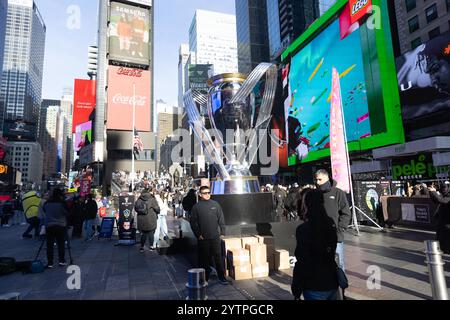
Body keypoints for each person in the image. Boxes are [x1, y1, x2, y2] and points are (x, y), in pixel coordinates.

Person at [291, 189, 339, 300]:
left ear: (306, 205)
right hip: (331, 280)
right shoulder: (330, 223)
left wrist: (296, 289)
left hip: (313, 284)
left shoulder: (303, 229)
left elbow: (302, 260)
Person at [189, 186, 228, 285]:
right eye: (204, 193)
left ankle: (221, 276)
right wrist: (198, 235)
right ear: (200, 195)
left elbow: (221, 219)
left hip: (215, 237)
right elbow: (193, 222)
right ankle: (204, 278)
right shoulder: (196, 207)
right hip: (203, 238)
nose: (207, 194)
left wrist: (222, 232)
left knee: (218, 258)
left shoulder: (215, 204)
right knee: (204, 259)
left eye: (208, 192)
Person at [314, 169, 351, 271]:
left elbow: (346, 213)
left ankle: (340, 285)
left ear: (326, 178)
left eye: (319, 180)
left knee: (338, 264)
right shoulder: (315, 194)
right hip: (319, 236)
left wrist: (340, 229)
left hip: (335, 236)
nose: (317, 182)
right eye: (316, 180)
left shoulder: (338, 193)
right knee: (321, 263)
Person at [41, 188, 70, 268]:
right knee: (61, 244)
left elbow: (44, 211)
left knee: (49, 245)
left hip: (49, 226)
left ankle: (50, 262)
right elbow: (67, 213)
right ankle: (61, 260)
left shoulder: (47, 203)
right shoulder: (62, 203)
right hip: (61, 225)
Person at [427, 183, 450, 254]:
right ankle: (443, 249)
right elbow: (437, 200)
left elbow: (441, 200)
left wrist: (433, 192)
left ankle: (446, 250)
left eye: (444, 188)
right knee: (441, 236)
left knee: (446, 237)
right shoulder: (445, 194)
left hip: (447, 221)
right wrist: (432, 192)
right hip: (443, 220)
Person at [136, 187, 160, 252]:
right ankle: (151, 246)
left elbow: (136, 208)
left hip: (141, 219)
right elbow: (157, 209)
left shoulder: (139, 199)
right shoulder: (152, 199)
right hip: (150, 219)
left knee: (143, 233)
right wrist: (157, 211)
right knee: (151, 233)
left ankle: (142, 247)